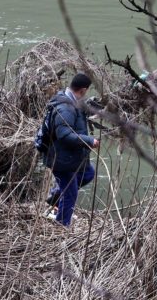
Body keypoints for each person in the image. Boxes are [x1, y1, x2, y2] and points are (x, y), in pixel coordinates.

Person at [42, 73, 100, 226]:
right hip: (61, 159)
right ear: (82, 90)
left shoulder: (71, 101)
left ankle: (55, 196)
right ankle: (62, 224)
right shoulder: (66, 107)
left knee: (88, 173)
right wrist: (88, 140)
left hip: (70, 157)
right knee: (70, 193)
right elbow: (64, 134)